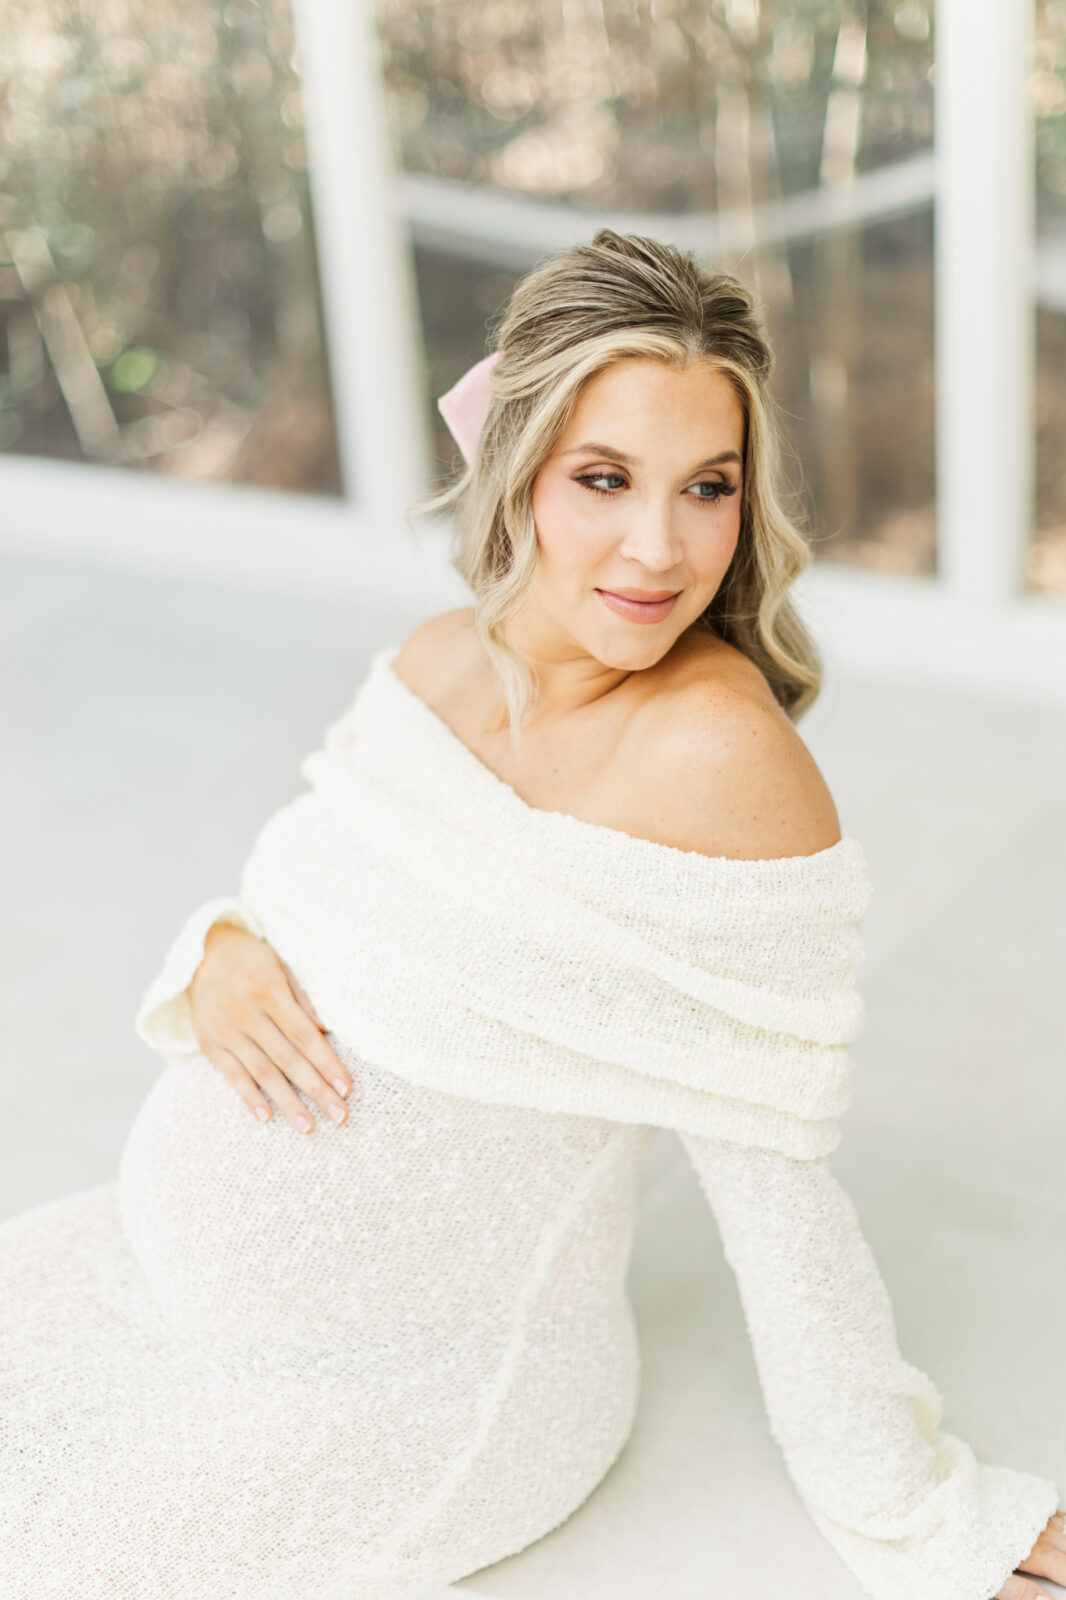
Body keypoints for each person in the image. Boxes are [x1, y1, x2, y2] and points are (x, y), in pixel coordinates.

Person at [0, 229, 1061, 1600]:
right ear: (516, 474)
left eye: (707, 488)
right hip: (148, 1283)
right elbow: (292, 889)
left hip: (408, 1394)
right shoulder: (439, 659)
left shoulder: (718, 767)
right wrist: (215, 952)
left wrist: (914, 1506)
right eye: (603, 478)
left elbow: (778, 1194)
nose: (659, 547)